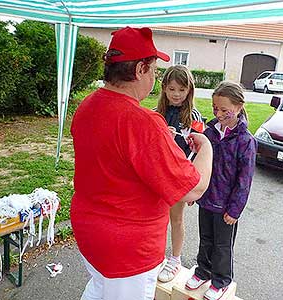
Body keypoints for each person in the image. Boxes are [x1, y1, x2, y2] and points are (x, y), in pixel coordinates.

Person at [70, 26, 213, 300]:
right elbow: (192, 189)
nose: (155, 77)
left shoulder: (87, 105)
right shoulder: (142, 122)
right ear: (139, 70)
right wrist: (206, 147)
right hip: (127, 247)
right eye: (154, 70)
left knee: (99, 287)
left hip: (90, 232)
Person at [185, 81, 257, 300]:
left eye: (224, 110)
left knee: (222, 245)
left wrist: (235, 210)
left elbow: (244, 181)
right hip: (206, 200)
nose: (218, 113)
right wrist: (194, 190)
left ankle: (221, 280)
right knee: (205, 238)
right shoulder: (210, 132)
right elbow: (199, 162)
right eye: (215, 108)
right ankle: (202, 271)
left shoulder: (246, 141)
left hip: (226, 207)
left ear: (238, 106)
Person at [155, 65, 204, 283]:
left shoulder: (193, 117)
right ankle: (155, 257)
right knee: (155, 218)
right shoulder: (156, 115)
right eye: (172, 89)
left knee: (176, 218)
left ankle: (175, 259)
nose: (177, 94)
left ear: (189, 90)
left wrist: (191, 184)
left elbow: (198, 151)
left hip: (178, 179)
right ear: (164, 88)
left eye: (182, 90)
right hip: (156, 177)